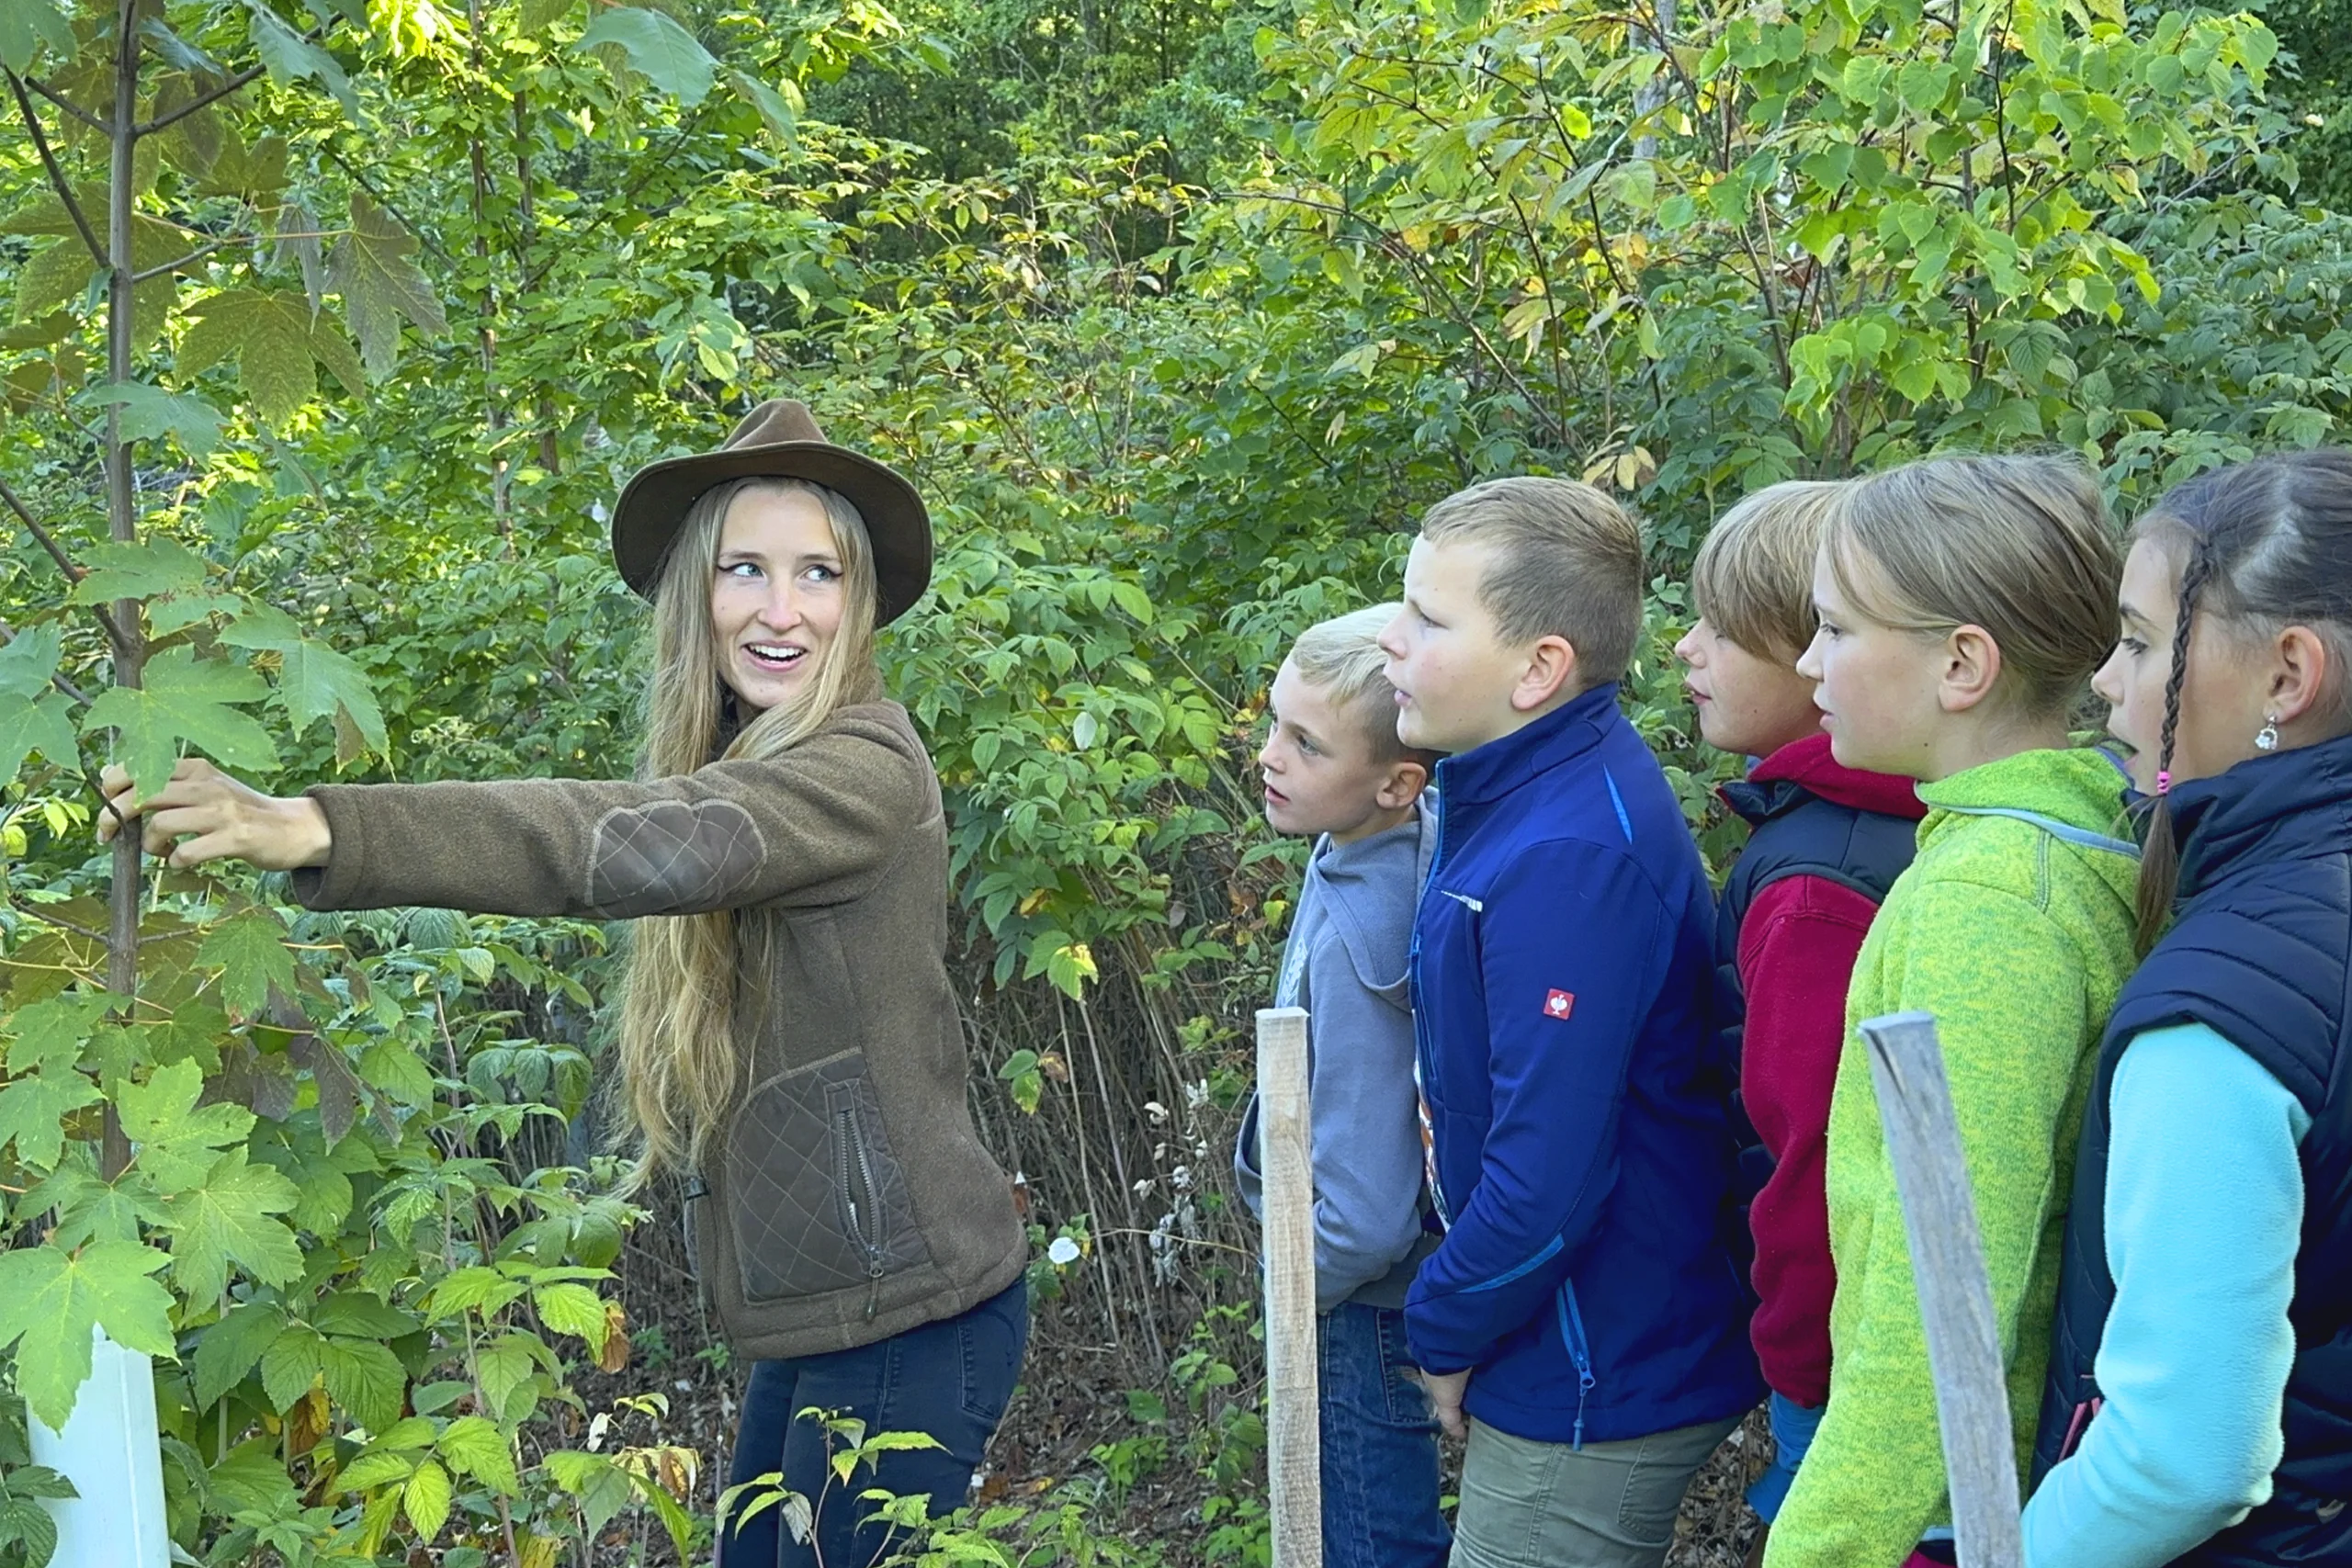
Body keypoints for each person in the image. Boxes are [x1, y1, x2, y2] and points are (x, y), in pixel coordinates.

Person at [97, 399, 1031, 1568]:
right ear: (697, 593)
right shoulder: (755, 756)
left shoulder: (861, 768)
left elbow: (629, 839)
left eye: (817, 574)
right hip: (828, 1312)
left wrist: (311, 825)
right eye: (745, 569)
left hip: (914, 1314)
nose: (779, 610)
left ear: (860, 603)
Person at [1379, 477, 1762, 1568]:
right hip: (1569, 1339)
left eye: (1428, 620)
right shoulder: (1514, 795)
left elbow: (1547, 1181)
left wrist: (1442, 1330)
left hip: (1595, 1359)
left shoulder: (1565, 859)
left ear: (1538, 668)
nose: (1390, 645)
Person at [1765, 454, 2138, 1568]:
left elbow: (1944, 1288)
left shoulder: (1985, 903)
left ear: (1962, 663)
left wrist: (1821, 1547)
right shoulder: (2061, 842)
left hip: (1955, 1512)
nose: (1804, 660)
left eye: (1835, 630)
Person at [2024, 449, 2352, 1568]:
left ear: (2285, 675)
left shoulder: (2222, 1009)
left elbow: (2184, 1455)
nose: (2108, 683)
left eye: (2140, 641)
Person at [1674, 479, 1925, 1551]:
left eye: (1723, 630)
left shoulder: (1814, 880)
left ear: (1810, 653)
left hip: (1835, 1362)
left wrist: (1791, 1361)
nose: (1684, 649)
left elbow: (1810, 1150)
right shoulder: (1882, 818)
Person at [1233, 604, 1451, 1568]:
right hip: (1353, 1296)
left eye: (1307, 744)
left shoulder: (1373, 929)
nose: (1271, 756)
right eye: (1275, 723)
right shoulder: (1354, 851)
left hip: (1360, 1309)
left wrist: (1294, 1295)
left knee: (1370, 1541)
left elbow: (1365, 1214)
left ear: (1398, 783)